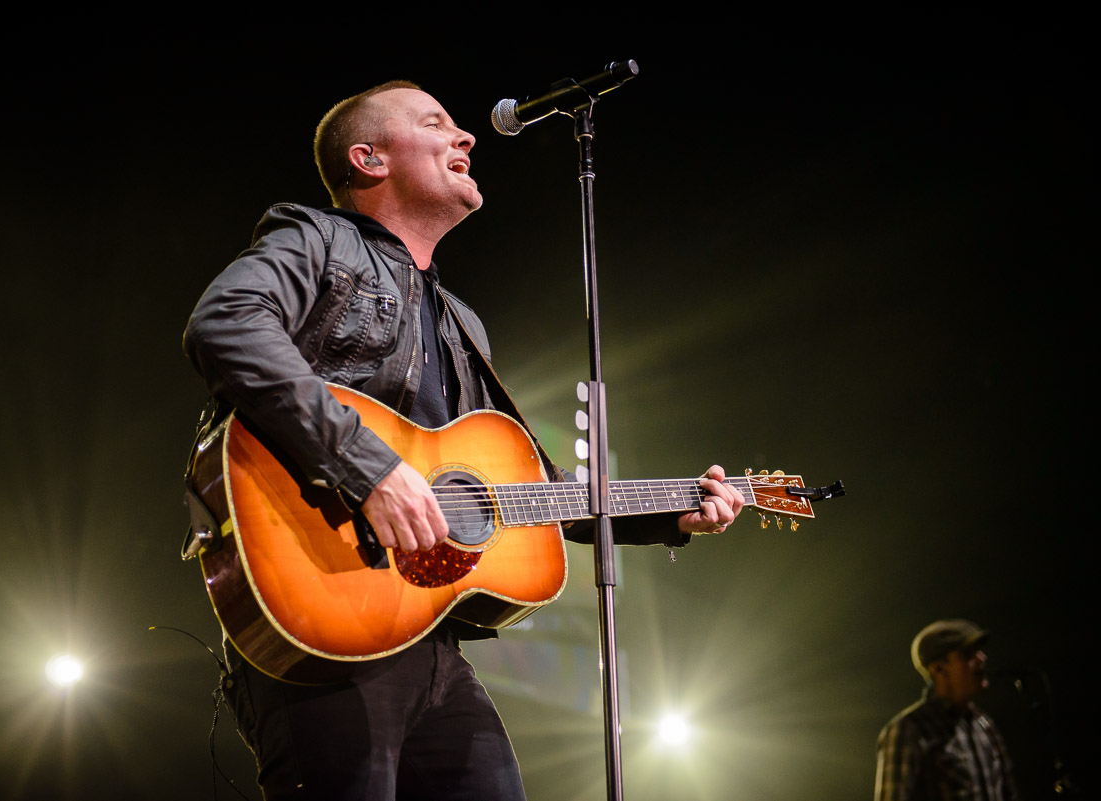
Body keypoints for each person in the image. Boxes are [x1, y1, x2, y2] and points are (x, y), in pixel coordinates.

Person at [182, 80, 745, 800]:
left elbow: (534, 491)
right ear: (370, 158)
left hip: (432, 640)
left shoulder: (461, 324)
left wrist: (674, 510)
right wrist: (370, 468)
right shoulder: (317, 238)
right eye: (435, 123)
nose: (467, 137)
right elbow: (226, 322)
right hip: (321, 612)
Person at [875, 619, 1020, 801]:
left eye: (979, 651)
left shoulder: (984, 724)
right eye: (968, 654)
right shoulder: (909, 730)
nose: (982, 658)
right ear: (939, 669)